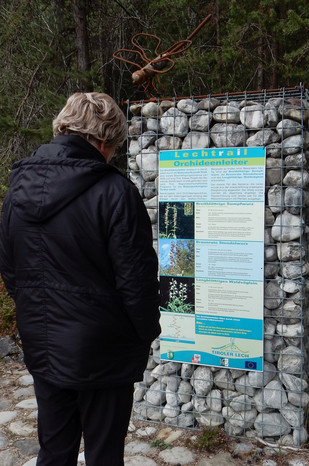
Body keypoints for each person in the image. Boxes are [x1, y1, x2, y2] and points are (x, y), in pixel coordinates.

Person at [0, 92, 161, 466]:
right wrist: (145, 334)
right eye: (114, 147)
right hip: (104, 352)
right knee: (104, 454)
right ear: (104, 142)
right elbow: (137, 282)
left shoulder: (16, 190)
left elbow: (10, 271)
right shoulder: (116, 193)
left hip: (44, 343)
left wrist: (36, 314)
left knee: (54, 450)